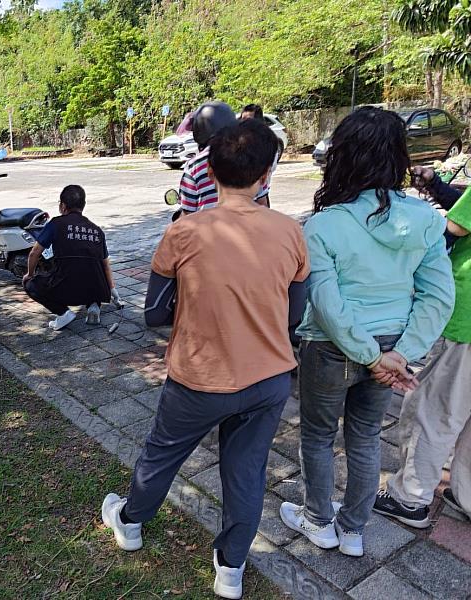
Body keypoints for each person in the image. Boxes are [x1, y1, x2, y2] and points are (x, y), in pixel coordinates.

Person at [101, 119, 309, 600]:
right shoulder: (291, 232)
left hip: (198, 379)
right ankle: (230, 569)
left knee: (162, 455)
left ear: (209, 171)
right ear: (267, 175)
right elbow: (294, 315)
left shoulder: (185, 231)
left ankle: (130, 522)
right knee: (247, 471)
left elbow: (154, 313)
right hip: (269, 378)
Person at [281, 107, 455, 558]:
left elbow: (326, 302)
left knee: (318, 436)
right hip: (393, 348)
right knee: (364, 435)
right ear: (398, 157)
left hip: (332, 348)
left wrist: (371, 356)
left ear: (342, 156)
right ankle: (354, 529)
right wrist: (401, 353)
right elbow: (437, 296)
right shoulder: (425, 220)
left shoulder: (324, 224)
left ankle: (318, 519)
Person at [374, 169, 471, 527]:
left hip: (467, 328)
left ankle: (409, 498)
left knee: (434, 411)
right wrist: (437, 187)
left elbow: (454, 227)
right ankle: (467, 494)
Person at [22, 185, 119, 330]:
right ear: (83, 205)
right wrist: (111, 289)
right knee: (92, 271)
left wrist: (29, 275)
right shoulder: (97, 231)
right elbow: (105, 265)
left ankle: (63, 313)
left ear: (63, 206)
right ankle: (94, 306)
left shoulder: (55, 224)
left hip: (65, 290)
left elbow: (34, 253)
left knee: (30, 284)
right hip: (96, 290)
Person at [178, 101, 270, 214]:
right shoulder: (250, 156)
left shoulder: (193, 166)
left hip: (208, 229)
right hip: (249, 228)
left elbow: (188, 214)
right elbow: (263, 204)